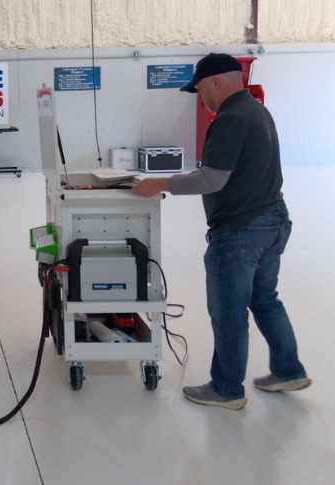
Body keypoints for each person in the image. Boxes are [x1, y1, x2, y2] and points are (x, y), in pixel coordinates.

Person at [132, 53, 311, 410]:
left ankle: (227, 389)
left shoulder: (230, 118)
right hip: (273, 219)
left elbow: (212, 178)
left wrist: (160, 183)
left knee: (230, 311)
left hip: (241, 229)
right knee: (264, 299)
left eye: (199, 88)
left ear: (216, 81)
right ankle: (288, 370)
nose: (200, 97)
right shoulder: (258, 111)